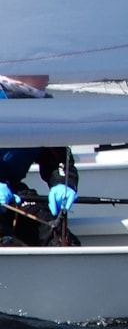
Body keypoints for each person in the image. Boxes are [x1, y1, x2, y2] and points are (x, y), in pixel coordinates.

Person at [0, 75, 78, 246]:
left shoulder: (44, 110)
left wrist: (63, 183)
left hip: (13, 194)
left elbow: (56, 156)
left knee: (58, 238)